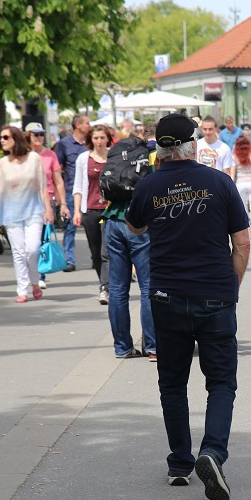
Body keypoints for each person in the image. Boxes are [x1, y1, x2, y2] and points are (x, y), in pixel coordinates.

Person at [126, 113, 251, 500]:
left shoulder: (148, 186)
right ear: (193, 144)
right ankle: (212, 452)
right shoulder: (219, 182)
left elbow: (134, 228)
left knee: (172, 383)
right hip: (214, 294)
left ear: (159, 148)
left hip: (166, 297)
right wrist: (231, 287)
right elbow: (242, 243)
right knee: (221, 382)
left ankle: (180, 463)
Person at [103, 127, 155, 361]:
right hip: (139, 222)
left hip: (112, 219)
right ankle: (153, 346)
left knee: (116, 288)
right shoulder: (153, 154)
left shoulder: (119, 152)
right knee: (148, 286)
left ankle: (122, 347)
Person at [0, 126, 52, 302]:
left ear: (16, 139)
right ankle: (22, 290)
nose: (2, 140)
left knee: (32, 249)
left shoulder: (34, 159)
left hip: (34, 211)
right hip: (11, 213)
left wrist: (48, 210)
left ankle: (35, 282)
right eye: (1, 137)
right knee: (18, 252)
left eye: (6, 137)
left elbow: (42, 187)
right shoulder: (3, 163)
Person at [70, 124, 112, 304]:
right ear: (91, 140)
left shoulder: (114, 155)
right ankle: (104, 282)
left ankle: (106, 287)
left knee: (106, 251)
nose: (99, 141)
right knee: (95, 253)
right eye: (96, 138)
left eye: (102, 137)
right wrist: (77, 211)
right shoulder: (83, 159)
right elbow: (78, 186)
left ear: (107, 139)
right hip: (90, 210)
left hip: (110, 210)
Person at [24, 122, 66, 289]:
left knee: (40, 241)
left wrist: (63, 204)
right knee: (25, 244)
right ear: (27, 136)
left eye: (41, 134)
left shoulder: (50, 155)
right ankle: (26, 273)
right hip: (24, 201)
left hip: (45, 201)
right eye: (35, 134)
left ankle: (39, 274)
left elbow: (58, 181)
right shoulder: (22, 155)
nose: (39, 138)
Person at [53, 114, 90, 271]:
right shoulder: (63, 144)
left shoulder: (92, 143)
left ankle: (97, 257)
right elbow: (57, 170)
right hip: (71, 190)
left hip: (91, 190)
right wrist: (58, 195)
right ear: (78, 125)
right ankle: (70, 259)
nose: (90, 125)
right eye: (87, 123)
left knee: (93, 226)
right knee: (70, 226)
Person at [232, 134, 251, 241]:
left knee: (243, 207)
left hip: (240, 183)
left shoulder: (234, 156)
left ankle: (246, 227)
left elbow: (232, 173)